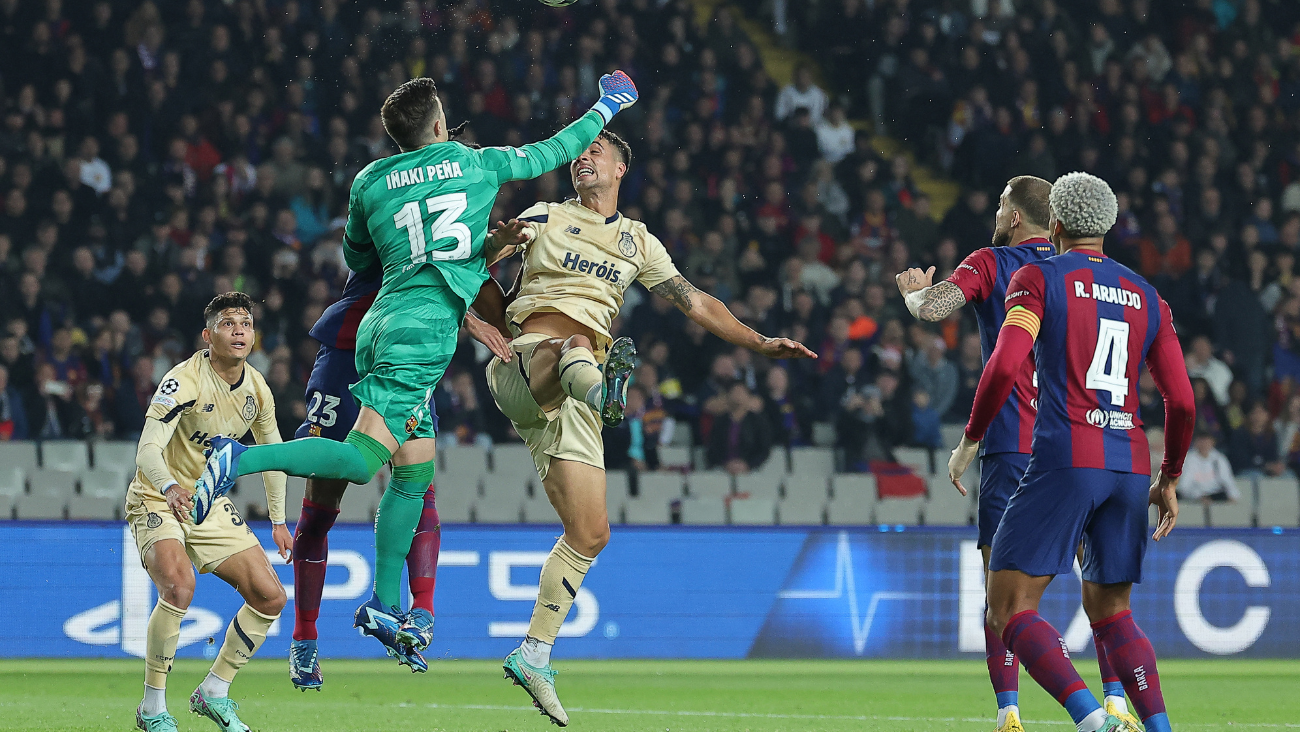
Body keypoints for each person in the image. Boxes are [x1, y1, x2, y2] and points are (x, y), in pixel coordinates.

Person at [193, 72, 642, 661]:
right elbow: (554, 150)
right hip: (424, 332)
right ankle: (238, 458)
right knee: (359, 460)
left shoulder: (369, 181)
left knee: (415, 470)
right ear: (438, 124)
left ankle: (382, 600)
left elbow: (357, 254)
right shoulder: (474, 164)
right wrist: (607, 104)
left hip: (380, 319)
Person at [480, 128, 816, 726]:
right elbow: (473, 264)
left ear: (619, 170)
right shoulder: (544, 214)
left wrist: (759, 343)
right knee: (576, 343)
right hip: (524, 359)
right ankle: (604, 389)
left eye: (595, 153)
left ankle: (534, 652)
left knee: (590, 532)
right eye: (578, 154)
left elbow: (697, 302)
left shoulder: (637, 241)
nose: (583, 159)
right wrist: (495, 245)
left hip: (572, 397)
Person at [948, 172, 1194, 732]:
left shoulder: (1037, 276)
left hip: (1067, 458)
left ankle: (1092, 720)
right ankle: (1158, 727)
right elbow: (1181, 400)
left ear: (1054, 223)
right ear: (1106, 226)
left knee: (1008, 607)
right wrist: (1170, 476)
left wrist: (969, 440)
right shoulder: (1148, 296)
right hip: (1130, 464)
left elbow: (1006, 365)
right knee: (1112, 615)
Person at [896, 175, 1115, 732]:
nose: (996, 213)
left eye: (1000, 205)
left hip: (1015, 444)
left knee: (1002, 595)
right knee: (1101, 582)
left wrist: (911, 290)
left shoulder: (994, 262)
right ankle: (1116, 698)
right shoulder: (1086, 273)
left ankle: (1011, 713)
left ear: (1015, 217)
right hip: (1088, 443)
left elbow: (932, 309)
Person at [286, 268, 511, 686]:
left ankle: (417, 613)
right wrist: (472, 319)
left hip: (408, 357)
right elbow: (407, 263)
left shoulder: (452, 216)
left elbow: (446, 279)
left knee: (418, 484)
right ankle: (304, 638)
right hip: (348, 347)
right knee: (322, 503)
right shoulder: (384, 205)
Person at [126, 292, 292, 732]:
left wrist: (278, 519)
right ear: (208, 334)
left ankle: (214, 691)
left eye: (246, 323)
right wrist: (167, 486)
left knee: (271, 596)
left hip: (207, 502)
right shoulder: (184, 382)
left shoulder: (257, 388)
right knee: (180, 586)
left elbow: (273, 454)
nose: (239, 330)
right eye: (228, 323)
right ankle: (152, 708)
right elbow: (146, 450)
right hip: (157, 496)